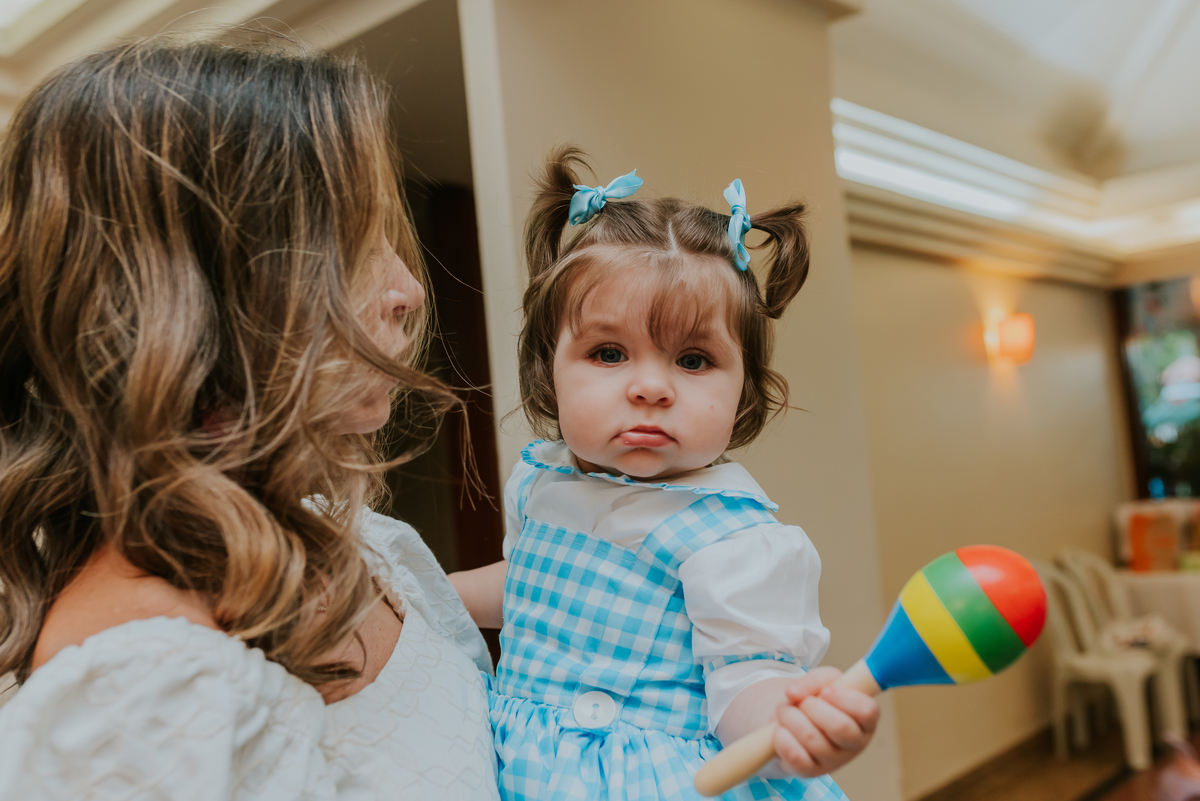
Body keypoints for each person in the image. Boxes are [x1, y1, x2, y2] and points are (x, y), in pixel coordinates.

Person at [0, 34, 499, 800]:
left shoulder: (359, 539)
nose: (409, 288)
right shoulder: (138, 696)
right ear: (197, 296)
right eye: (353, 242)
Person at [449, 148, 879, 800]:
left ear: (747, 391)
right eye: (609, 352)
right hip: (521, 765)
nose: (651, 386)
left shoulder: (733, 541)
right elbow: (538, 585)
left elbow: (748, 679)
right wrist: (428, 590)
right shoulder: (542, 481)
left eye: (694, 359)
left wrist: (787, 721)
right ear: (548, 370)